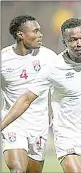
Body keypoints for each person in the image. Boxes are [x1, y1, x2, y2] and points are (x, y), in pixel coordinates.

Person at [1, 18, 81, 173]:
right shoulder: (53, 67)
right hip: (63, 134)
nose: (79, 43)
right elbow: (26, 99)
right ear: (65, 43)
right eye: (73, 40)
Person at [1, 15, 57, 173]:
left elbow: (60, 86)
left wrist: (54, 109)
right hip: (13, 123)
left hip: (39, 125)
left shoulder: (49, 57)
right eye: (36, 31)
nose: (41, 35)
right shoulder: (3, 59)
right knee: (17, 169)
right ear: (20, 35)